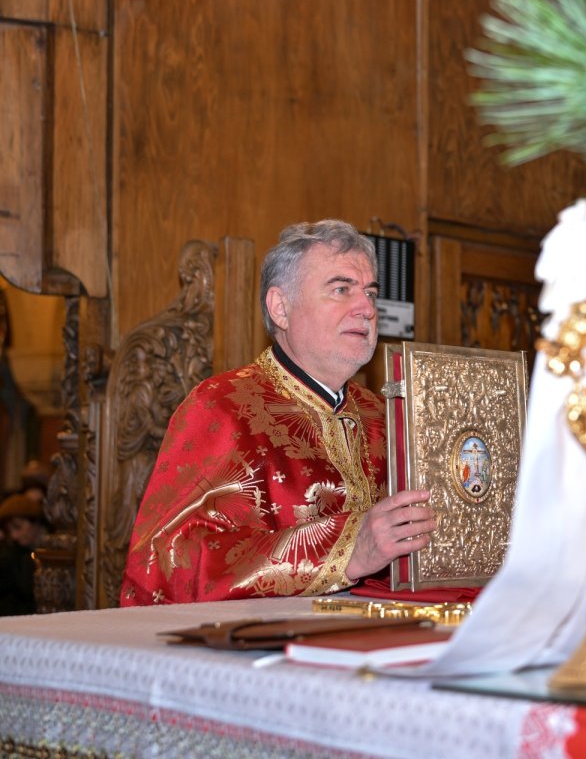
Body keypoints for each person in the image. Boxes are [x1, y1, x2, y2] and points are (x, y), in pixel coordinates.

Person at [121, 220, 437, 605]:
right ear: (280, 308)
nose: (367, 309)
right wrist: (348, 549)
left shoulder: (385, 415)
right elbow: (172, 562)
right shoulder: (222, 407)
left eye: (371, 293)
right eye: (341, 289)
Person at [0, 492, 47, 616]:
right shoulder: (13, 553)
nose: (14, 535)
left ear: (36, 523)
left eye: (18, 527)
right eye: (10, 530)